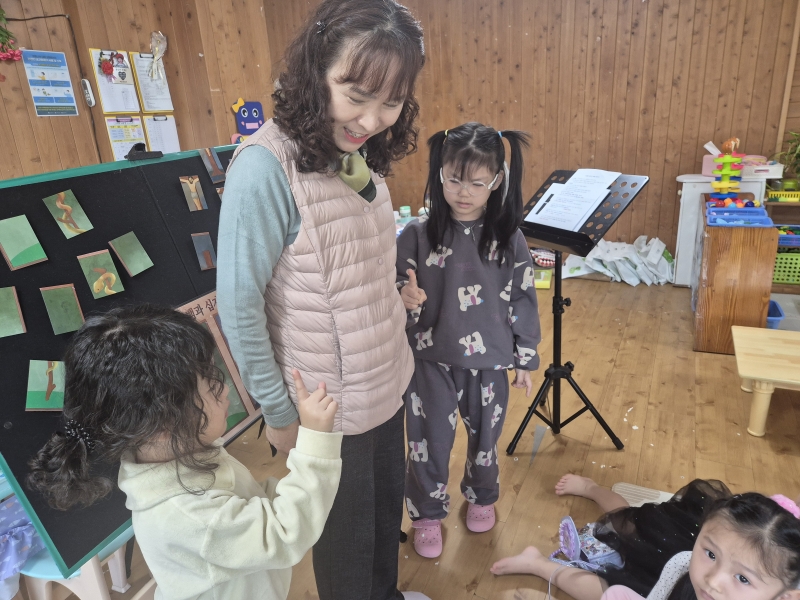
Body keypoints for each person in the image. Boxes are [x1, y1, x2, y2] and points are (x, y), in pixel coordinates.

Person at [216, 1, 429, 598]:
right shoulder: (264, 169)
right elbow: (239, 307)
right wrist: (280, 415)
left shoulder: (353, 152)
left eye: (392, 102)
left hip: (384, 381)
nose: (372, 119)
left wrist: (397, 296)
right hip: (326, 408)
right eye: (356, 95)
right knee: (347, 553)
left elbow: (353, 257)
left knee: (384, 527)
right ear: (315, 73)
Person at [27, 305, 343, 600]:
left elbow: (249, 501)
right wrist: (315, 444)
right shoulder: (188, 514)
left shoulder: (174, 455)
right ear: (163, 422)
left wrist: (291, 491)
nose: (224, 389)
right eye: (210, 386)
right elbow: (285, 534)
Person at [397, 122, 542, 558]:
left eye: (478, 183)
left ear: (496, 181)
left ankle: (482, 496)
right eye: (455, 179)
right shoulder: (416, 234)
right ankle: (426, 515)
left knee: (485, 441)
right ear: (439, 173)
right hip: (430, 360)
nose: (464, 192)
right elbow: (394, 287)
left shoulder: (509, 238)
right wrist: (404, 297)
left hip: (490, 362)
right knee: (427, 443)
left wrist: (525, 357)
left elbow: (523, 296)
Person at [491, 475, 800, 600]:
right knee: (629, 525)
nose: (713, 581)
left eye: (743, 579)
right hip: (669, 559)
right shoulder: (684, 563)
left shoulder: (776, 579)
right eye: (709, 554)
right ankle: (591, 489)